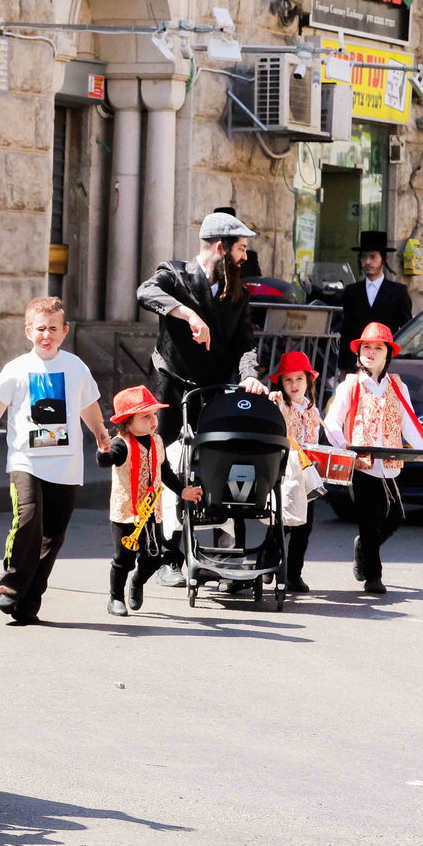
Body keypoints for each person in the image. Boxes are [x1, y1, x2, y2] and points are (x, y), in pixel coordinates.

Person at [135, 210, 268, 587]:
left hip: (213, 392)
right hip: (170, 389)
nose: (245, 257)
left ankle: (227, 554)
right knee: (164, 468)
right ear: (221, 247)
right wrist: (188, 315)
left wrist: (249, 375)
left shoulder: (237, 292)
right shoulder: (174, 275)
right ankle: (167, 556)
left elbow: (245, 343)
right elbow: (145, 292)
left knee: (225, 463)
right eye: (240, 249)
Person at [0, 296, 111, 624]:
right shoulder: (17, 369)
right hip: (26, 461)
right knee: (27, 519)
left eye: (53, 329)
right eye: (41, 328)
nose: (47, 335)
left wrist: (101, 435)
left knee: (53, 536)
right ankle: (11, 584)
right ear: (28, 331)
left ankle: (29, 601)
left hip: (67, 464)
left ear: (65, 331)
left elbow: (88, 406)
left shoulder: (75, 367)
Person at [322, 323, 423, 594]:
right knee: (369, 520)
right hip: (361, 465)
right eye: (367, 347)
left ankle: (363, 548)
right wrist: (345, 447)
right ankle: (373, 576)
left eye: (378, 347)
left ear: (388, 354)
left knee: (395, 517)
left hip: (389, 463)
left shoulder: (398, 386)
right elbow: (332, 423)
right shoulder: (350, 385)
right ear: (359, 353)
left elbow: (409, 423)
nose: (372, 352)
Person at [102, 385, 203, 617]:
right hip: (126, 513)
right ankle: (115, 598)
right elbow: (105, 460)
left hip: (151, 512)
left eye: (154, 414)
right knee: (124, 560)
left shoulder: (157, 441)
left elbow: (164, 471)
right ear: (128, 421)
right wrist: (102, 450)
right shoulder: (121, 444)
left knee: (154, 558)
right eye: (146, 416)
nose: (153, 420)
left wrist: (183, 491)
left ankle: (137, 581)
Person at [266, 351, 324, 592]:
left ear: (308, 381)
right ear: (281, 383)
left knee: (304, 527)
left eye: (299, 378)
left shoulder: (313, 410)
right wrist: (274, 399)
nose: (294, 384)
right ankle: (267, 564)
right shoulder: (280, 405)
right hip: (285, 475)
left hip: (307, 475)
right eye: (287, 379)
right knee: (281, 523)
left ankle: (294, 574)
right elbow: (274, 410)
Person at [337, 230, 412, 376]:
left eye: (372, 257)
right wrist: (344, 368)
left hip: (387, 365)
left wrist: (399, 362)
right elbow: (346, 331)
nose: (367, 262)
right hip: (355, 365)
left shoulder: (398, 291)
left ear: (383, 259)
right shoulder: (351, 291)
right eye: (364, 257)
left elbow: (406, 331)